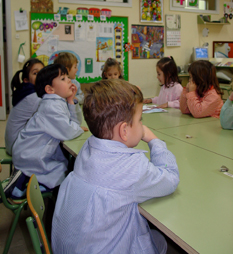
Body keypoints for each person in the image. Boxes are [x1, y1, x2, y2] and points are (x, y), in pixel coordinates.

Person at [52, 80, 179, 254]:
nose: (142, 126)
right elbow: (171, 179)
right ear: (124, 131)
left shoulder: (88, 148)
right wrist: (155, 142)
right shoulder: (131, 168)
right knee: (161, 242)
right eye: (140, 120)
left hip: (73, 246)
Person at [6, 64, 87, 199]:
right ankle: (21, 186)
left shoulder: (58, 101)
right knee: (63, 173)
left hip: (35, 151)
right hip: (29, 154)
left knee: (63, 168)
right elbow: (68, 131)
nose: (69, 81)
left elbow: (75, 123)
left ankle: (31, 184)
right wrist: (76, 128)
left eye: (68, 77)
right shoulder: (51, 106)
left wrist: (71, 101)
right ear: (49, 89)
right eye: (63, 78)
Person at [5, 58, 44, 155]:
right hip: (17, 146)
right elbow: (52, 114)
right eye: (35, 73)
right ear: (26, 80)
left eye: (43, 72)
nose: (40, 76)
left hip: (13, 142)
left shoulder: (26, 91)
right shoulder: (32, 97)